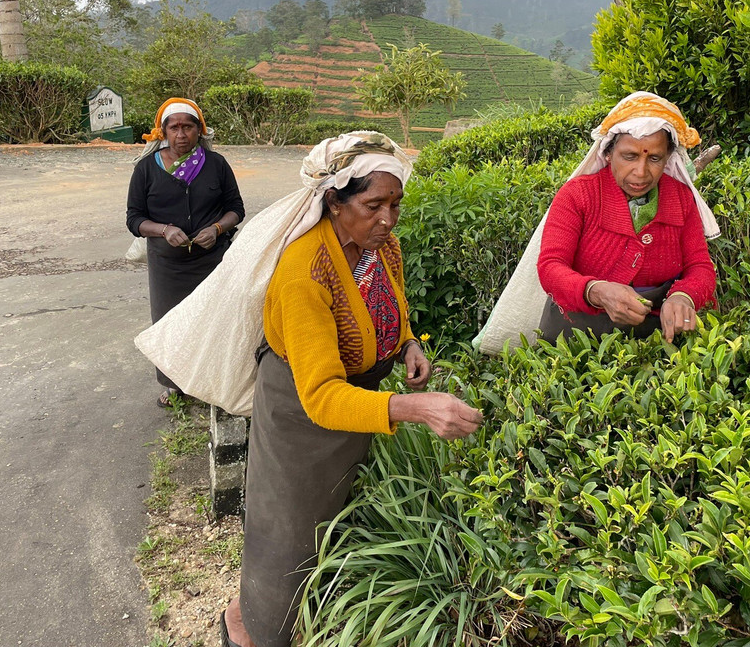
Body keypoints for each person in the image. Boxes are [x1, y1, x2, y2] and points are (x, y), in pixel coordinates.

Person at [133, 132, 483, 647]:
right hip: (303, 415)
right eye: (373, 205)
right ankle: (254, 627)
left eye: (395, 203)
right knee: (288, 532)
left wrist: (407, 342)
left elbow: (389, 302)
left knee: (332, 522)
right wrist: (414, 408)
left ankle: (308, 617)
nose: (388, 218)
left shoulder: (382, 246)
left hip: (358, 407)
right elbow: (320, 396)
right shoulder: (304, 273)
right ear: (334, 200)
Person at [476, 91, 719, 353]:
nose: (641, 172)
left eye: (654, 158)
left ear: (667, 158)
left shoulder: (681, 199)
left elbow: (700, 267)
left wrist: (684, 296)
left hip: (658, 339)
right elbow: (550, 267)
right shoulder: (577, 196)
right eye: (629, 156)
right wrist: (596, 291)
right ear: (608, 153)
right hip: (575, 338)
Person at [126, 97, 245, 407]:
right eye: (174, 127)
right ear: (163, 131)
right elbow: (134, 218)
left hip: (212, 261)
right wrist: (164, 230)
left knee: (214, 321)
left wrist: (217, 229)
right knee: (170, 322)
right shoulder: (146, 170)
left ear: (199, 130)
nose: (181, 134)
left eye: (188, 127)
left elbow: (236, 209)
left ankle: (215, 383)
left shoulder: (216, 164)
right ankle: (174, 385)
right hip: (168, 265)